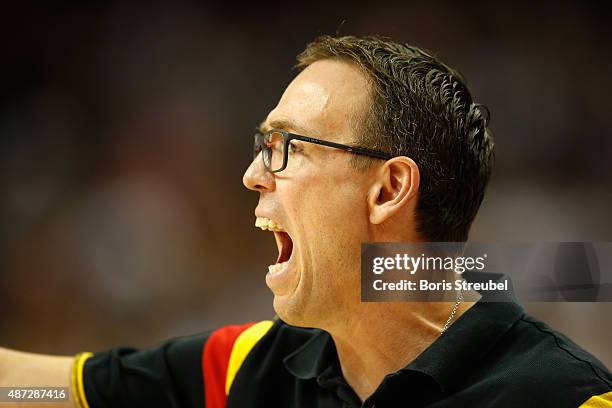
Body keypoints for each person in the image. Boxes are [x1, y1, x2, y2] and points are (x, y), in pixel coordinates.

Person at [1, 35, 611, 408]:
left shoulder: (570, 398)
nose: (251, 175)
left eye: (286, 148)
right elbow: (35, 390)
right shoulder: (247, 368)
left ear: (388, 188)